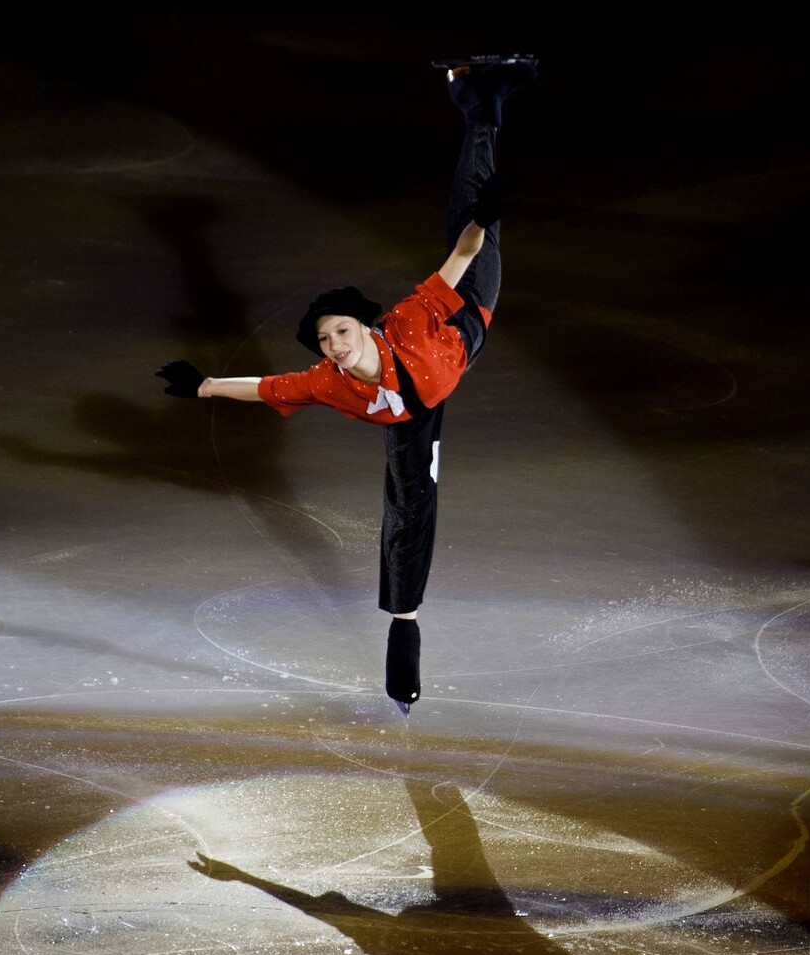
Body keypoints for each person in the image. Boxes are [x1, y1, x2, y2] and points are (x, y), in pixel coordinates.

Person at [157, 56, 537, 714]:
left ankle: (482, 102)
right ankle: (404, 633)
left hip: (464, 318)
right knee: (409, 513)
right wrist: (205, 387)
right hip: (412, 414)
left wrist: (482, 222)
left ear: (365, 325)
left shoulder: (408, 320)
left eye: (342, 330)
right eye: (326, 339)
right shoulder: (329, 383)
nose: (336, 343)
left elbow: (462, 256)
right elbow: (269, 387)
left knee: (474, 211)